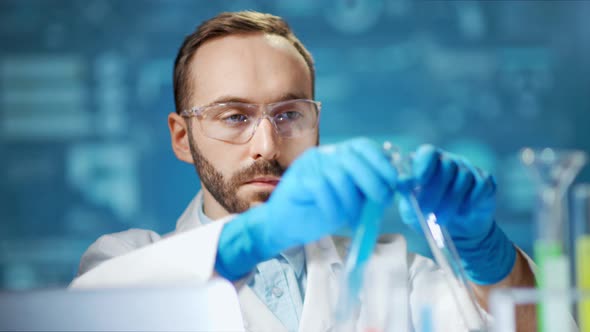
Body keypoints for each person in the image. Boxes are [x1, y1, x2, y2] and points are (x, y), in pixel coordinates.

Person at [70, 11, 537, 331]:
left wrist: (489, 258)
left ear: (316, 126)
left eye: (288, 115)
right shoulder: (122, 260)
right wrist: (252, 239)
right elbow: (80, 318)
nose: (266, 146)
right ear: (180, 138)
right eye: (234, 117)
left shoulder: (392, 271)